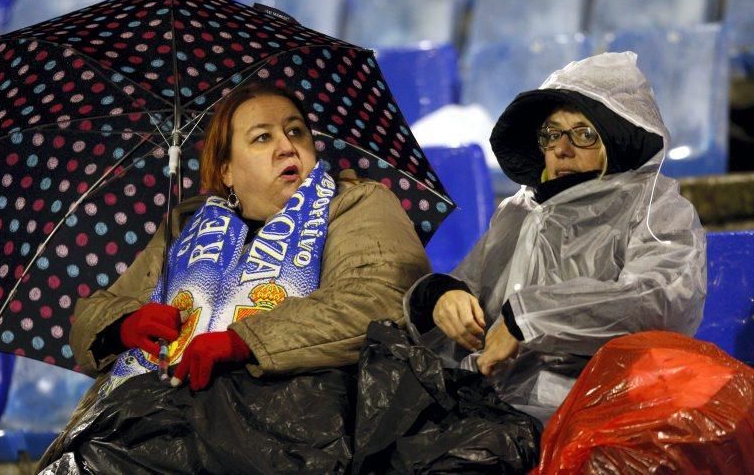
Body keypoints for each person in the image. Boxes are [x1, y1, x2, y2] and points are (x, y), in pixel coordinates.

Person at [39, 82, 430, 468]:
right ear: (226, 171)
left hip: (289, 438)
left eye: (295, 131)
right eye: (262, 138)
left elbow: (377, 298)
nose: (286, 147)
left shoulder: (355, 204)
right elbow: (94, 313)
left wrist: (243, 341)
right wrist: (124, 325)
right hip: (162, 427)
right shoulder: (186, 226)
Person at [404, 52, 706, 423]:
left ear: (616, 140)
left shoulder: (653, 206)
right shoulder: (519, 211)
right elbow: (472, 291)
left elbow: (661, 297)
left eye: (583, 134)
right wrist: (442, 297)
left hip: (590, 407)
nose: (562, 148)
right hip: (490, 405)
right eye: (551, 134)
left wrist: (529, 320)